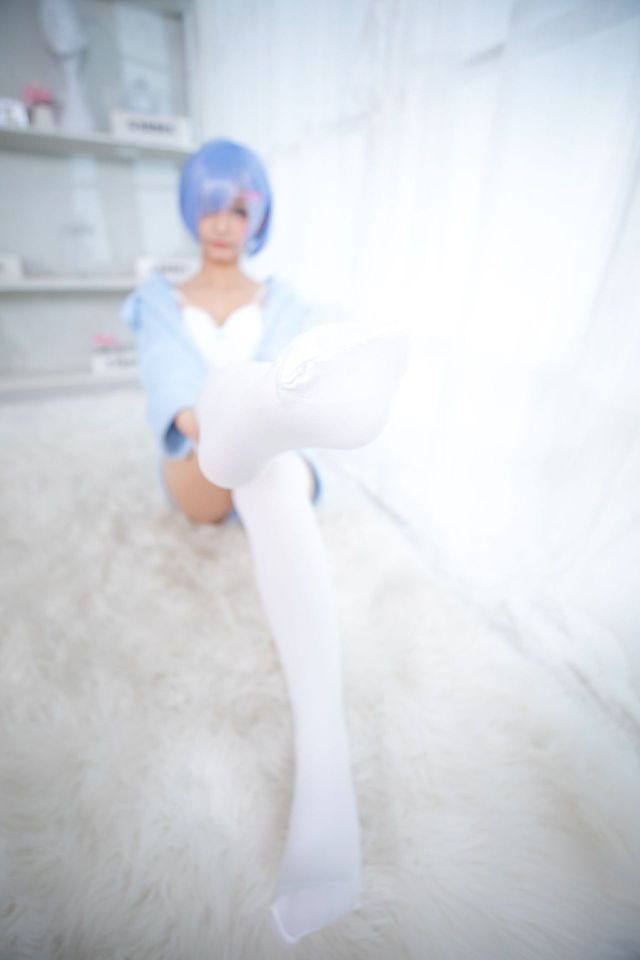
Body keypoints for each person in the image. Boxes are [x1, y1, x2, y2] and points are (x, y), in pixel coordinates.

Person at [121, 138, 411, 943]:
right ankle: (254, 416)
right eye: (211, 205)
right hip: (197, 466)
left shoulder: (284, 300)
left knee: (272, 468)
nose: (224, 222)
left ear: (258, 216)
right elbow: (168, 389)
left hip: (277, 472)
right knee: (235, 427)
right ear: (191, 210)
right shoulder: (157, 300)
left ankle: (323, 745)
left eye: (240, 207)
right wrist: (211, 418)